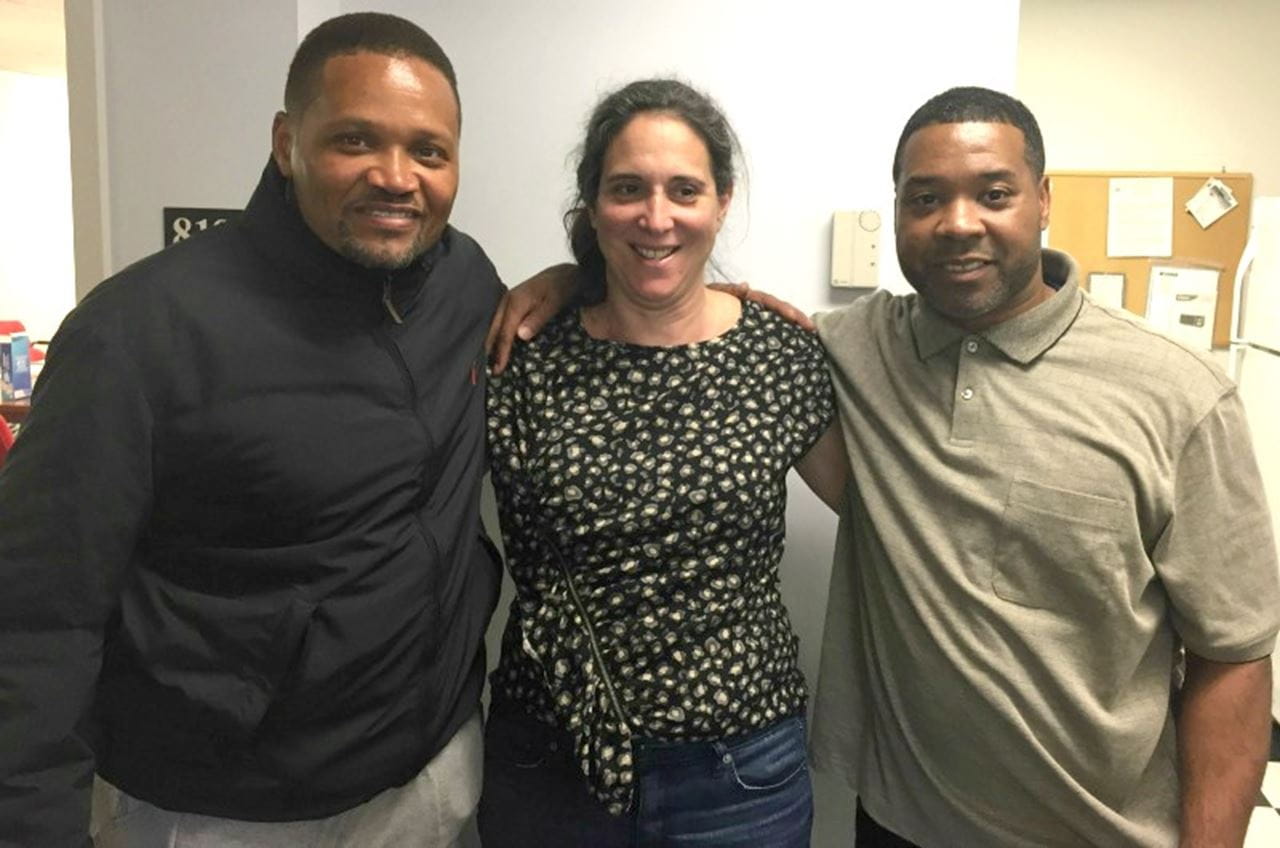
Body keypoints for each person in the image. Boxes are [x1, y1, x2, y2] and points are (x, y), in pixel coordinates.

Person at [0, 12, 553, 847]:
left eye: (428, 151)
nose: (396, 177)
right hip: (217, 810)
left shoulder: (466, 283)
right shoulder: (142, 330)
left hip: (430, 783)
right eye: (356, 140)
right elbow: (39, 613)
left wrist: (587, 276)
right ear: (286, 141)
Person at [807, 87, 1280, 847]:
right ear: (896, 211)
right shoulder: (859, 351)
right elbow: (706, 318)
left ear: (1044, 200)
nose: (959, 223)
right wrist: (569, 283)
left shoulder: (1179, 394)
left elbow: (1234, 657)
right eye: (925, 198)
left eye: (993, 193)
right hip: (899, 824)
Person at [477, 78, 847, 847]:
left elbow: (892, 509)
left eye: (684, 190)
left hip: (738, 772)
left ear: (721, 202)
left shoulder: (778, 355)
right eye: (627, 189)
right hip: (549, 763)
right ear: (591, 207)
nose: (656, 217)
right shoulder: (524, 351)